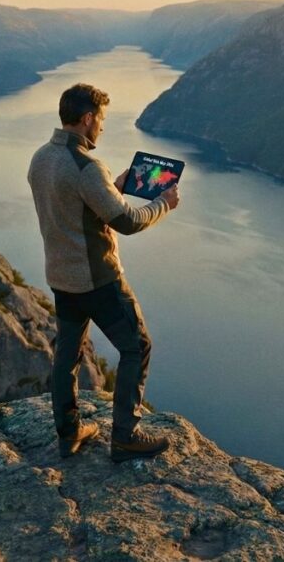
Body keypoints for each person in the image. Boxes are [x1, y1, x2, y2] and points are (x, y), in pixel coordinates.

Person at [27, 83, 180, 462]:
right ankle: (126, 436)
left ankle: (69, 433)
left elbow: (73, 208)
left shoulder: (41, 158)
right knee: (137, 346)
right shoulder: (87, 166)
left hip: (62, 277)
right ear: (88, 118)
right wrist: (163, 202)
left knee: (68, 355)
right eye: (102, 120)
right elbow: (126, 221)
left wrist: (113, 189)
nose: (103, 128)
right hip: (98, 279)